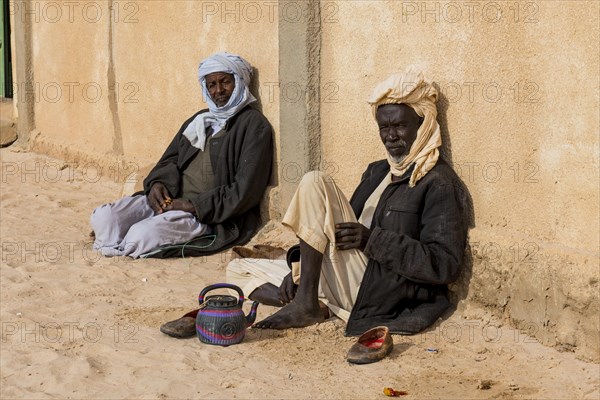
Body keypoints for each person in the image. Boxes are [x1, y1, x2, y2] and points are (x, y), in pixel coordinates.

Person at [227, 67, 468, 336]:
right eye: (384, 127)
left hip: (379, 288)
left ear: (422, 126)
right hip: (347, 274)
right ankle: (312, 298)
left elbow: (444, 265)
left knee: (314, 181)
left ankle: (307, 302)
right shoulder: (377, 171)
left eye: (400, 126)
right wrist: (300, 269)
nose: (390, 136)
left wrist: (372, 240)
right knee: (238, 268)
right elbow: (332, 230)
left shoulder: (438, 182)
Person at [90, 52, 273, 259]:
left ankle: (122, 244)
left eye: (225, 82)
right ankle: (115, 242)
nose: (219, 90)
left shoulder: (254, 126)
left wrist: (192, 206)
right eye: (212, 85)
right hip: (169, 200)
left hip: (204, 215)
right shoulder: (199, 120)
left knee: (139, 236)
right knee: (104, 217)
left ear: (239, 82)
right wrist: (157, 184)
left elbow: (245, 191)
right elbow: (169, 160)